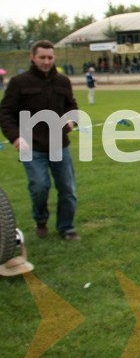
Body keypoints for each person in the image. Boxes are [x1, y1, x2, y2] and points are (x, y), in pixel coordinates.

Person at [0, 40, 81, 241]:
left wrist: (72, 120)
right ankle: (41, 220)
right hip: (31, 147)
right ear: (33, 58)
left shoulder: (63, 81)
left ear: (54, 58)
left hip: (59, 145)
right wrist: (16, 137)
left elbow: (72, 106)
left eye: (50, 58)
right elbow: (5, 113)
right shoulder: (19, 82)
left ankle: (67, 228)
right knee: (39, 187)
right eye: (42, 57)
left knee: (68, 189)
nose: (46, 62)